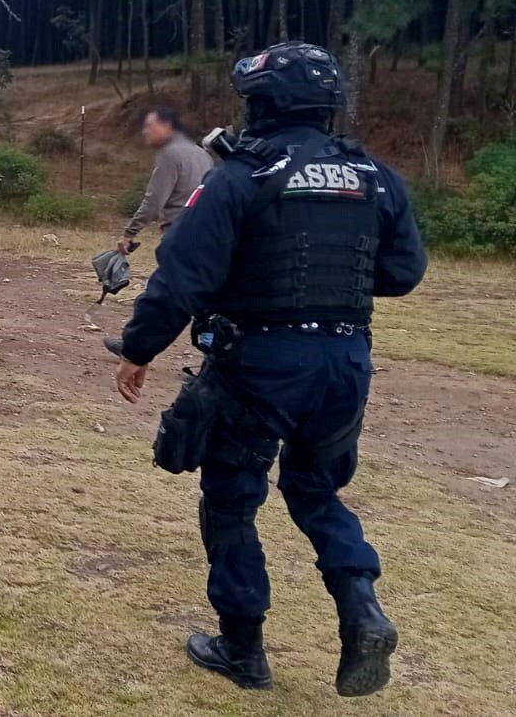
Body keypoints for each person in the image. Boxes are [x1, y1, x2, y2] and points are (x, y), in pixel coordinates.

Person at [113, 42, 427, 697]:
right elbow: (402, 272)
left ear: (257, 104)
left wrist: (138, 349)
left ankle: (242, 647)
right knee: (315, 488)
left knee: (230, 497)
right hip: (344, 361)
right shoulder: (373, 175)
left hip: (257, 362)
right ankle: (360, 606)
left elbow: (177, 280)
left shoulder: (239, 177)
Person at [118, 105, 214, 254]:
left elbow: (154, 200)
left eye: (150, 126)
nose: (145, 132)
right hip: (204, 232)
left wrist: (129, 233)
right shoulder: (202, 154)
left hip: (179, 233)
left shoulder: (169, 154)